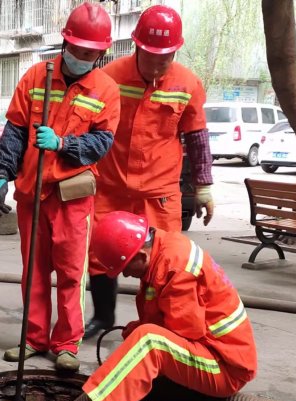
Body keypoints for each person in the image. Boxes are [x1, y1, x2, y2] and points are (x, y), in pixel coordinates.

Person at [38, 211, 257, 401]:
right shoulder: (161, 251)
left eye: (124, 267)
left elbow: (185, 333)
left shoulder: (176, 267)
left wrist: (142, 334)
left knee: (150, 342)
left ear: (141, 255)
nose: (124, 274)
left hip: (224, 367)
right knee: (144, 336)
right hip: (209, 353)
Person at [0, 2, 121, 372]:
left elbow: (101, 144)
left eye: (91, 53)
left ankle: (66, 343)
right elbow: (15, 130)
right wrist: (3, 172)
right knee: (33, 271)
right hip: (32, 194)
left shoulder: (106, 90)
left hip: (71, 198)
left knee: (70, 273)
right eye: (78, 51)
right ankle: (33, 338)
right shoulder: (36, 77)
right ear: (65, 43)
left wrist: (63, 144)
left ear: (100, 53)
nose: (83, 57)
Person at [84, 5, 216, 340]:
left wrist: (203, 186)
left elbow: (197, 137)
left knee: (163, 260)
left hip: (159, 191)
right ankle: (102, 317)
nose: (159, 63)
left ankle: (159, 324)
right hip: (111, 186)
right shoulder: (111, 76)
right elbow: (88, 126)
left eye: (166, 57)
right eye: (152, 56)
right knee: (102, 256)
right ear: (138, 46)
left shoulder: (187, 84)